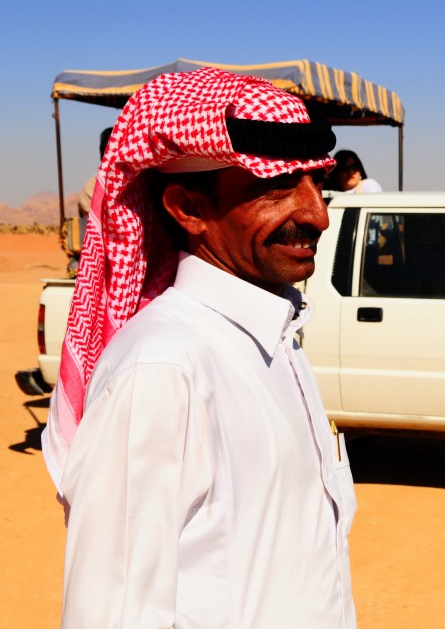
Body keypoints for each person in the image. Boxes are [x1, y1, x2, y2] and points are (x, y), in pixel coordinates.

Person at [42, 68, 358, 628]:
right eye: (277, 185)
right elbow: (112, 613)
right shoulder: (163, 368)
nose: (317, 214)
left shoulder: (274, 337)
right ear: (188, 207)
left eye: (317, 182)